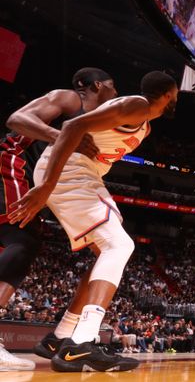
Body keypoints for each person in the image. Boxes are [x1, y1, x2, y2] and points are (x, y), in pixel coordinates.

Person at [9, 71, 179, 372]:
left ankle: (60, 338)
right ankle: (82, 343)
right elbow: (73, 125)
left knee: (106, 252)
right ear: (169, 93)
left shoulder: (145, 126)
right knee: (120, 244)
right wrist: (47, 185)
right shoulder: (135, 106)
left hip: (81, 174)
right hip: (67, 171)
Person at [0, 68, 116, 371]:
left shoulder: (96, 122)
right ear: (96, 86)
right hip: (12, 163)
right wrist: (65, 136)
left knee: (25, 244)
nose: (116, 94)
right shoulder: (69, 99)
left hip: (35, 180)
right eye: (113, 87)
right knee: (22, 236)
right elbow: (16, 120)